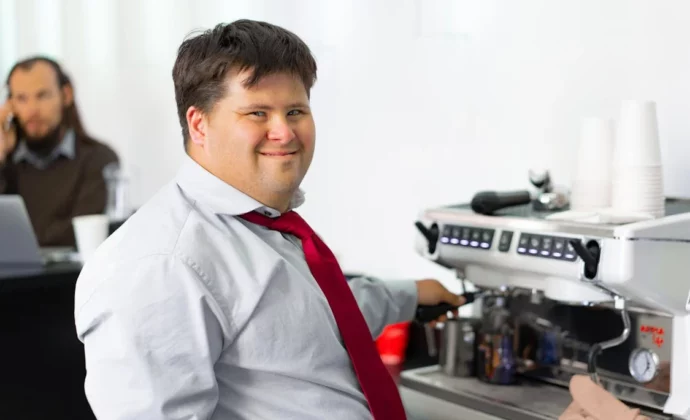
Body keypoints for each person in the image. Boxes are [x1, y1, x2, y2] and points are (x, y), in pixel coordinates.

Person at [74, 20, 463, 420]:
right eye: (257, 113)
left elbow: (308, 320)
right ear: (199, 124)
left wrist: (410, 294)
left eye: (295, 110)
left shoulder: (265, 223)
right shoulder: (159, 265)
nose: (284, 132)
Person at [0, 56, 119, 247]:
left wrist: (17, 240)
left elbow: (81, 234)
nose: (32, 110)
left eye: (42, 96)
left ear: (66, 95)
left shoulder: (99, 159)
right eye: (21, 98)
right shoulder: (6, 162)